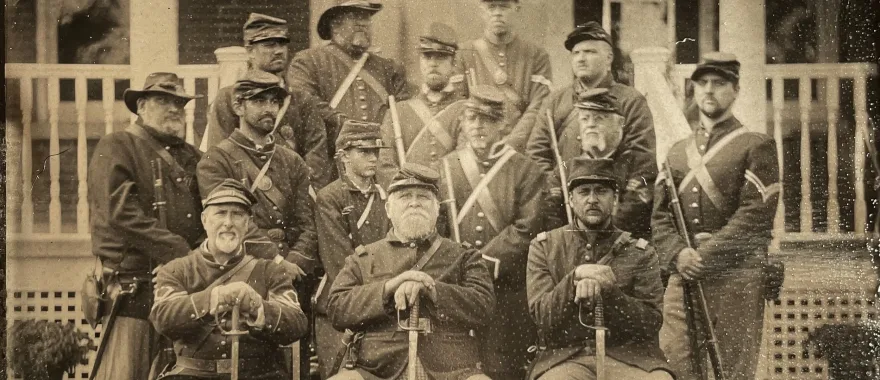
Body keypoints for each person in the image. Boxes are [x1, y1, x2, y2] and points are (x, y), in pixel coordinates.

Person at [653, 52, 780, 380]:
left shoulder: (756, 145)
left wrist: (703, 257)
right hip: (683, 275)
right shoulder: (676, 152)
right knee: (674, 365)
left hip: (735, 275)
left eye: (719, 83)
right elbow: (661, 217)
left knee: (731, 371)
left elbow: (754, 217)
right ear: (694, 89)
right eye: (702, 83)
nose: (709, 90)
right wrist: (679, 255)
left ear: (735, 90)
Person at [87, 72, 207, 380]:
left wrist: (198, 259)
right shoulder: (117, 146)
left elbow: (212, 210)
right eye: (163, 100)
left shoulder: (194, 157)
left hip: (185, 288)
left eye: (179, 103)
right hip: (135, 289)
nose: (174, 109)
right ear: (141, 106)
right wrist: (179, 251)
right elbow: (120, 213)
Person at [326, 163, 495, 380]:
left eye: (423, 197)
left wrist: (433, 290)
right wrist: (388, 288)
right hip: (378, 370)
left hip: (451, 370)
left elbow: (484, 307)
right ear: (389, 209)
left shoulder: (463, 256)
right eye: (405, 196)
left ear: (437, 208)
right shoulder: (364, 258)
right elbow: (336, 308)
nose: (414, 203)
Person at [526, 157, 673, 380]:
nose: (592, 199)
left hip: (629, 358)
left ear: (615, 199)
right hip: (566, 358)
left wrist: (612, 293)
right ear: (571, 200)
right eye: (584, 192)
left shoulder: (640, 251)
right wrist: (573, 280)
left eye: (601, 192)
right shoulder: (545, 247)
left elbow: (651, 323)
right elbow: (541, 317)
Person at [150, 179, 309, 380]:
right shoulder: (177, 270)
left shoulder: (270, 271)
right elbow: (163, 319)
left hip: (258, 375)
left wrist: (258, 307)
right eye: (220, 213)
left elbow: (296, 323)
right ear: (204, 220)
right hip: (193, 375)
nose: (228, 222)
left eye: (237, 214)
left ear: (247, 224)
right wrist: (213, 299)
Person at [439, 85, 546, 379]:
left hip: (506, 288)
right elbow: (439, 226)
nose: (478, 126)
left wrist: (482, 265)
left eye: (487, 119)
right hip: (457, 283)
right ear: (463, 122)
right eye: (472, 118)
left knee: (501, 366)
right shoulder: (447, 167)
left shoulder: (526, 170)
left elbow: (528, 227)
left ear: (502, 124)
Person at [525, 22, 656, 238]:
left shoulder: (631, 101)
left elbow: (642, 164)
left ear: (609, 58)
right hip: (562, 213)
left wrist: (614, 225)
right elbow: (537, 154)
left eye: (590, 52)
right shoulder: (556, 101)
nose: (581, 58)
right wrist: (557, 199)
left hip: (614, 217)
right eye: (576, 53)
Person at [197, 70, 316, 277]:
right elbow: (229, 221)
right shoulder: (215, 160)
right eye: (259, 101)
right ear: (238, 107)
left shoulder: (293, 161)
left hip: (292, 269)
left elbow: (307, 223)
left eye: (274, 102)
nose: (269, 109)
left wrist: (295, 261)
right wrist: (277, 262)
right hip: (240, 267)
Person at [203, 13, 337, 189]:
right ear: (250, 51)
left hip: (292, 193)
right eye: (269, 45)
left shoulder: (302, 100)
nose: (279, 51)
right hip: (245, 191)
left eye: (282, 44)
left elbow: (316, 157)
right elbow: (219, 155)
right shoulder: (228, 98)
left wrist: (304, 193)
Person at [314, 120, 393, 378]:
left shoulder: (387, 195)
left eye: (376, 152)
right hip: (342, 304)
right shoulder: (330, 197)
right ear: (344, 155)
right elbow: (338, 261)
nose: (373, 158)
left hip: (382, 302)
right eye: (364, 152)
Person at [287, 0, 410, 156]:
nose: (362, 23)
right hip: (331, 156)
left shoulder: (388, 68)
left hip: (380, 156)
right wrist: (346, 125)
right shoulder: (309, 61)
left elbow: (404, 109)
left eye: (366, 18)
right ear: (335, 26)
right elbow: (306, 103)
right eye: (354, 16)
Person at [377, 22, 469, 179]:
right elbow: (385, 167)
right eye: (427, 56)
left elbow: (464, 166)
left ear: (453, 63)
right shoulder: (397, 112)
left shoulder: (466, 111)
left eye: (441, 57)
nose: (433, 63)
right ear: (420, 61)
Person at [458, 0, 553, 151]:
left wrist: (511, 144)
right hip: (475, 148)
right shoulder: (464, 54)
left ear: (517, 9)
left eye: (504, 7)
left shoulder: (536, 55)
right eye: (491, 7)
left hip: (521, 149)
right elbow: (458, 105)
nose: (497, 13)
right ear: (481, 11)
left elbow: (538, 106)